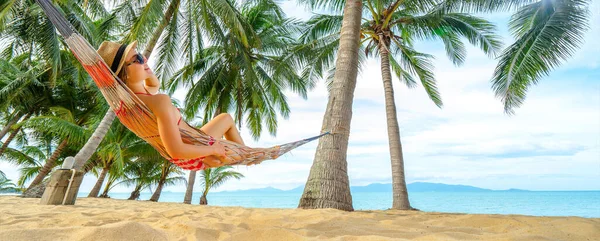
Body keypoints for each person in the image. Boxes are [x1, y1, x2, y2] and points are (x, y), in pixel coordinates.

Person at [97, 40, 246, 168]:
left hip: (196, 145)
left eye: (142, 56)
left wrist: (144, 67)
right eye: (138, 59)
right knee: (233, 139)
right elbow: (176, 150)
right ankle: (247, 156)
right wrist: (213, 150)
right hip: (195, 153)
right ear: (124, 74)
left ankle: (246, 155)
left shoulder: (141, 101)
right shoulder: (159, 101)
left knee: (225, 118)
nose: (145, 60)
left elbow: (154, 84)